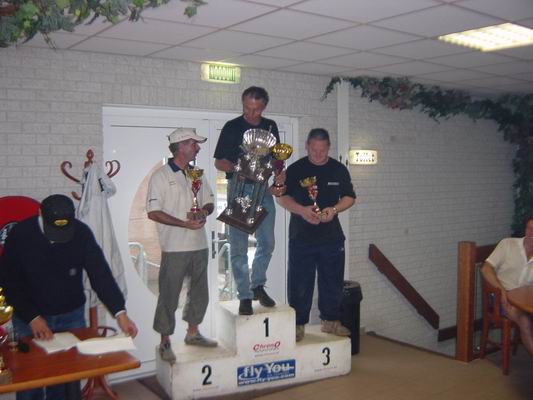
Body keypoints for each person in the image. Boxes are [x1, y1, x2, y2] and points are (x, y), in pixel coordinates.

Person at [0, 194, 138, 400]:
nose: (57, 238)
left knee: (65, 380)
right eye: (54, 230)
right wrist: (32, 317)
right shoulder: (20, 235)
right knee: (31, 381)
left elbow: (100, 275)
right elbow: (9, 283)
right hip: (30, 319)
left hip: (71, 317)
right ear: (40, 214)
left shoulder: (81, 233)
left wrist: (120, 313)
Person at [277, 128, 356, 342]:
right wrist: (302, 211)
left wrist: (334, 210)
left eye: (322, 150)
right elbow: (281, 197)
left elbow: (349, 197)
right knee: (299, 282)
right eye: (314, 150)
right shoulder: (295, 169)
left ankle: (331, 321)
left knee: (332, 280)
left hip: (332, 237)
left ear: (329, 147)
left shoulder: (338, 169)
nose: (318, 154)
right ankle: (297, 324)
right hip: (301, 237)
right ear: (307, 146)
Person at [147, 127, 217, 364]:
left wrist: (203, 212)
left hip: (199, 244)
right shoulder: (160, 176)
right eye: (193, 143)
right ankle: (165, 342)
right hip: (174, 247)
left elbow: (209, 202)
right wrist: (184, 224)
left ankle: (193, 333)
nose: (198, 147)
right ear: (180, 147)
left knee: (199, 293)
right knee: (169, 295)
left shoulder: (197, 174)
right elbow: (153, 212)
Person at [214, 86, 285, 316]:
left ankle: (257, 285)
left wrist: (280, 174)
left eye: (256, 109)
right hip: (239, 187)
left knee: (268, 242)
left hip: (263, 189)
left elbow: (277, 159)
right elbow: (219, 162)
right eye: (247, 108)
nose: (251, 113)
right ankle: (244, 295)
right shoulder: (232, 126)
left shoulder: (271, 126)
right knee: (238, 246)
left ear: (264, 107)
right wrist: (240, 168)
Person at [480, 216, 533, 356]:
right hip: (502, 298)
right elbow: (486, 269)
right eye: (529, 228)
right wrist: (501, 290)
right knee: (525, 321)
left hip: (526, 300)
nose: (531, 233)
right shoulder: (508, 244)